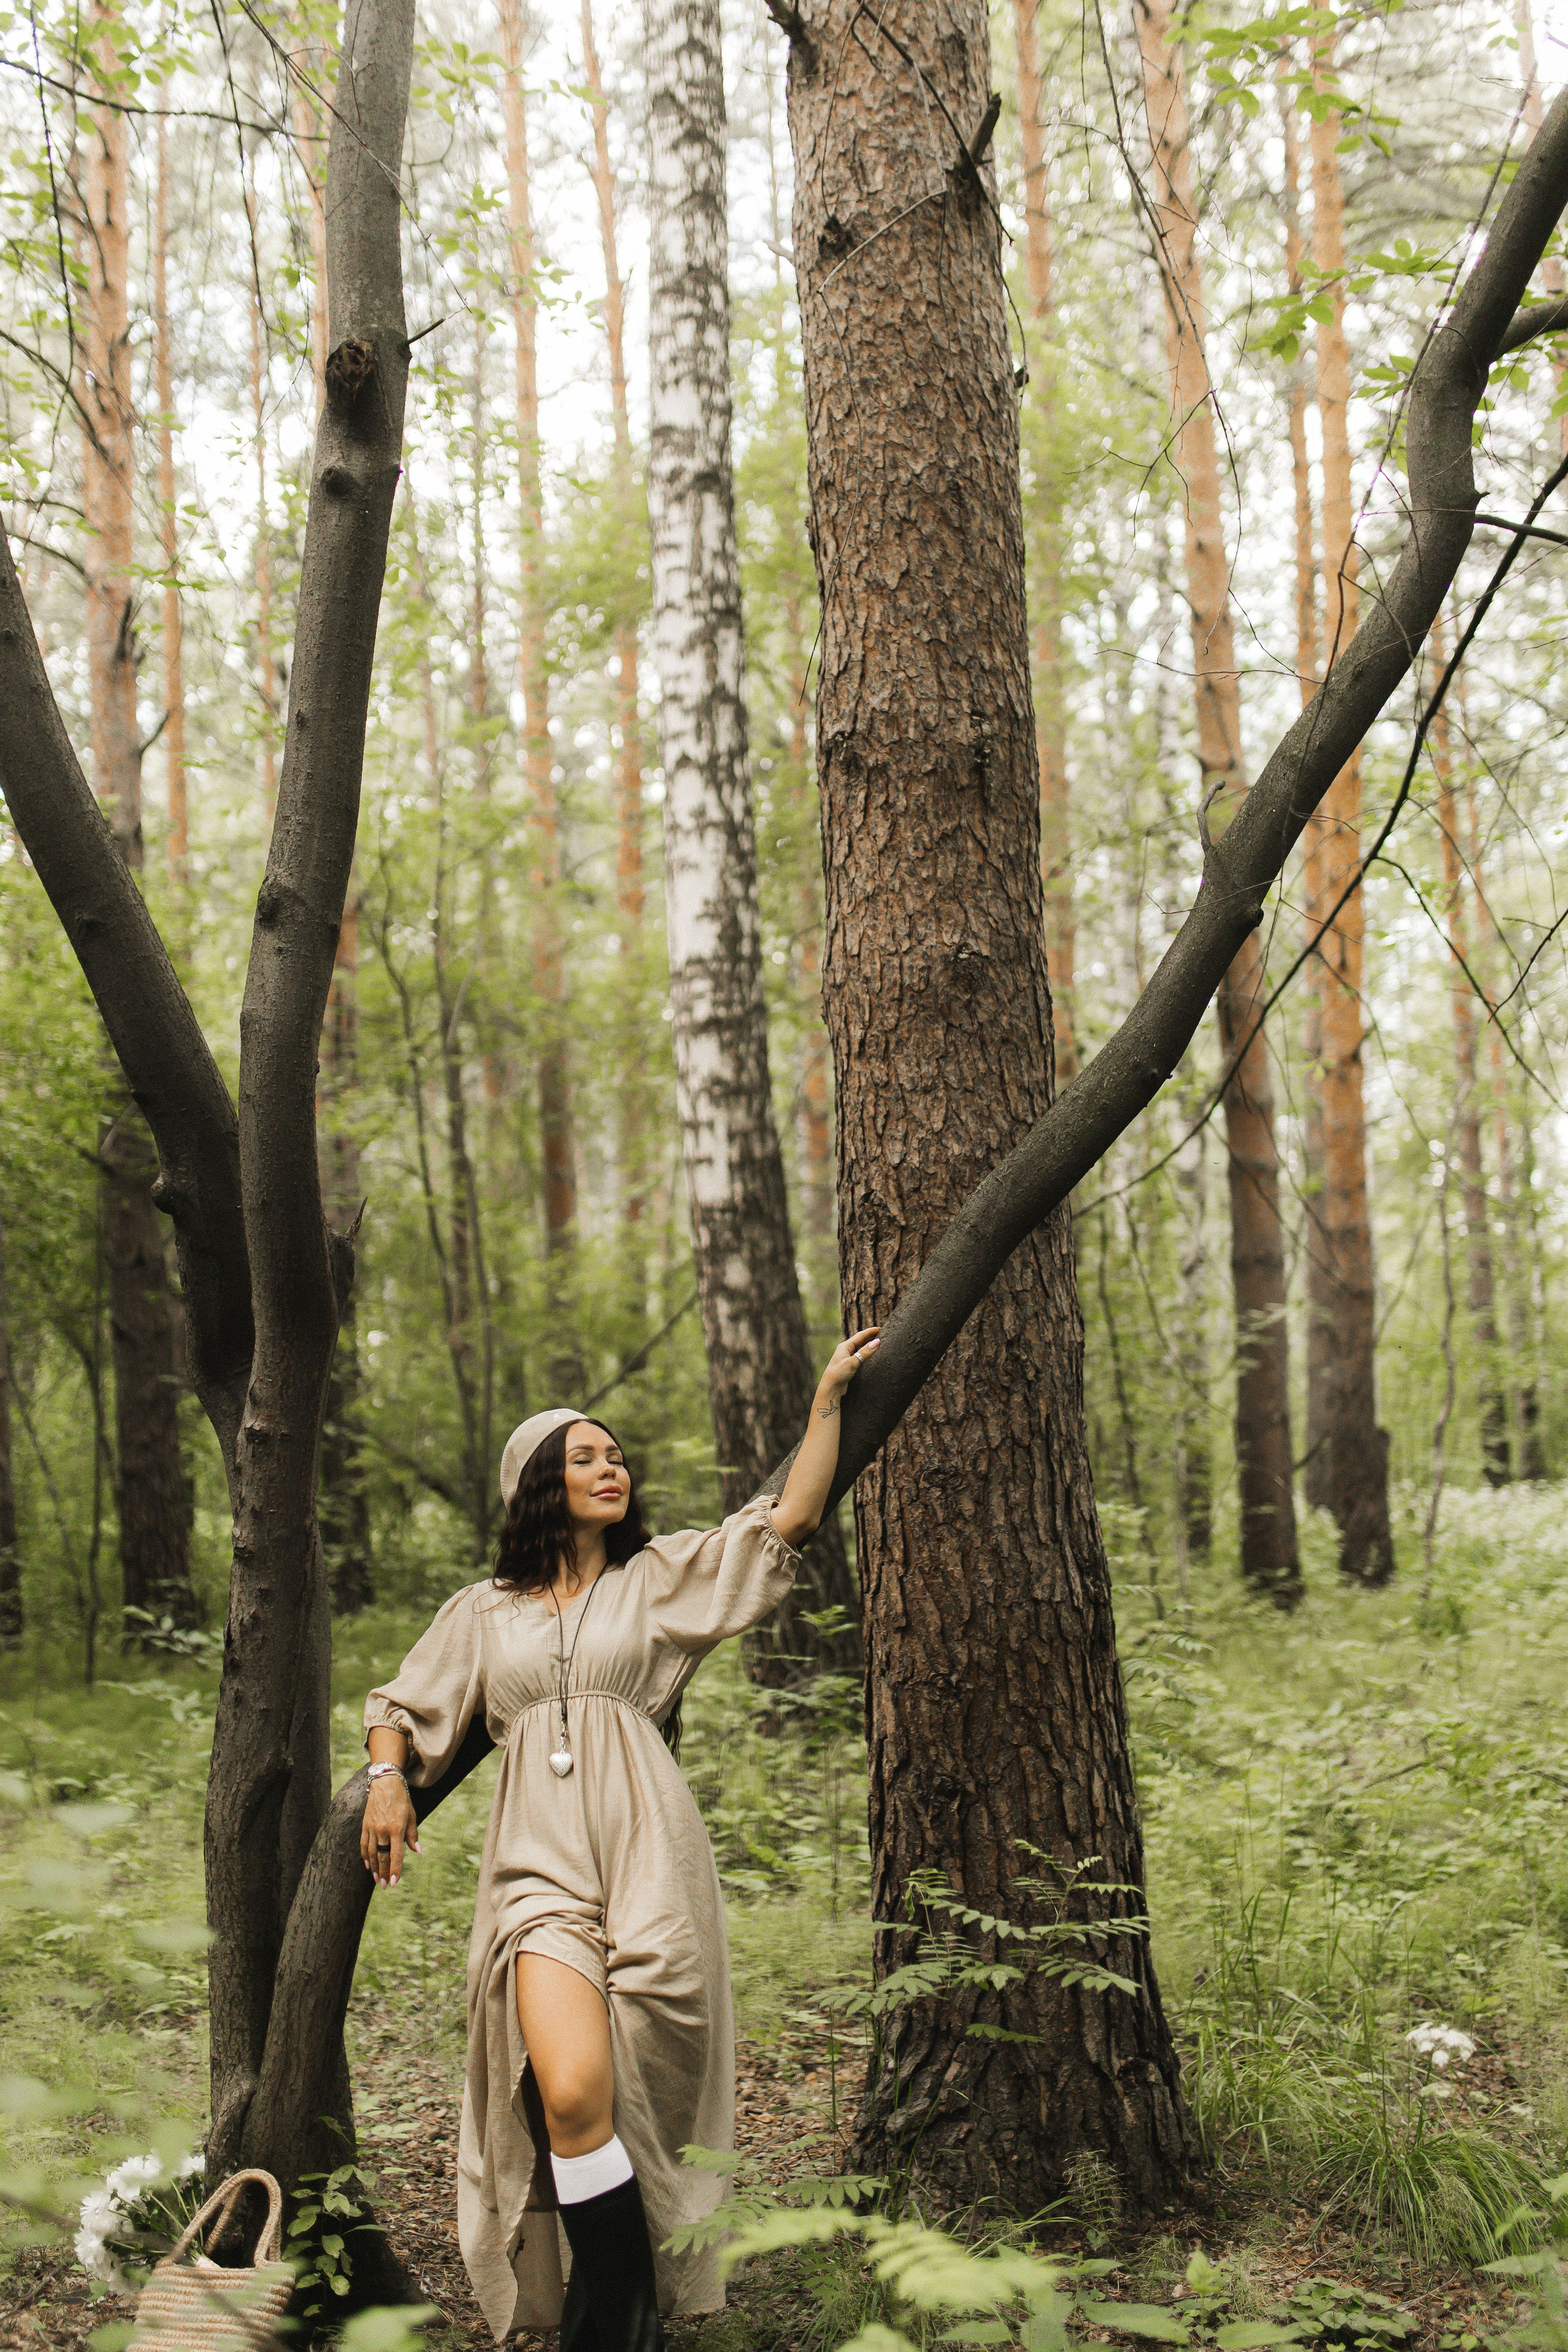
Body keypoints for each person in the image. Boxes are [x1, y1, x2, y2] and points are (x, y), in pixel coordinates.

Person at [360, 1326, 880, 2351]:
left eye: (617, 1456)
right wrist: (387, 1781)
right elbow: (400, 1703)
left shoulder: (659, 1578)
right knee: (572, 2090)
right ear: (537, 1487)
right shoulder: (485, 1612)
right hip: (537, 1868)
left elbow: (792, 1519)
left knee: (645, 2065)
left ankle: (611, 2324)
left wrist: (825, 1403)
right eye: (586, 1457)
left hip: (649, 1852)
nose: (613, 1469)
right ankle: (622, 2337)